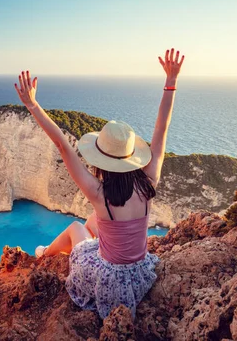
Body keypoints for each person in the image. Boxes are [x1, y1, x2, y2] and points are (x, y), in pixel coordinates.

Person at [14, 48, 184, 319]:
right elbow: (161, 130)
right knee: (94, 222)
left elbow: (61, 144)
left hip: (109, 284)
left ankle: (45, 254)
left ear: (101, 159)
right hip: (138, 276)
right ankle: (58, 249)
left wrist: (33, 105)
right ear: (131, 157)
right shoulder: (148, 181)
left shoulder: (99, 192)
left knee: (75, 227)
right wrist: (170, 83)